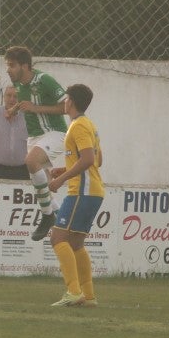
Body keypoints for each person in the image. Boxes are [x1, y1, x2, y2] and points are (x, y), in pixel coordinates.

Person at [45, 84, 104, 307]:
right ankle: (88, 296)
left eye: (66, 98)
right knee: (76, 244)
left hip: (82, 191)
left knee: (57, 238)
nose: (64, 102)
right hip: (92, 191)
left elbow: (89, 160)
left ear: (71, 102)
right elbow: (97, 160)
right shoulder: (89, 125)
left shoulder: (78, 127)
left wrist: (61, 179)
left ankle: (73, 291)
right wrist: (65, 168)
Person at [4, 46, 68, 241]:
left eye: (12, 65)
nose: (8, 69)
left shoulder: (44, 80)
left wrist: (35, 108)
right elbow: (27, 103)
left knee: (31, 162)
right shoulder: (20, 86)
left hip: (54, 132)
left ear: (25, 65)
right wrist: (14, 109)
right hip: (34, 137)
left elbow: (66, 106)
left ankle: (47, 215)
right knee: (46, 184)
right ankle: (61, 217)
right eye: (7, 65)